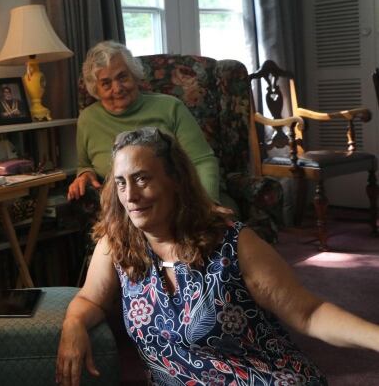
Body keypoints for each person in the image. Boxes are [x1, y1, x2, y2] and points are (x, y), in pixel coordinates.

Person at [56, 127, 379, 385]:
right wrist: (73, 324)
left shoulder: (233, 242)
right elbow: (92, 300)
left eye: (142, 178)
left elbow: (308, 313)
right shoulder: (118, 245)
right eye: (122, 183)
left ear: (176, 181)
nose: (131, 196)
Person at [66, 40, 226, 210]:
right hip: (127, 211)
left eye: (122, 77)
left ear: (134, 75)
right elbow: (85, 164)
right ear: (95, 89)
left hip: (182, 201)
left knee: (227, 233)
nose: (118, 88)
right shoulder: (88, 120)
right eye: (106, 83)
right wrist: (84, 174)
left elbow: (202, 160)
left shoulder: (170, 107)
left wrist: (208, 204)